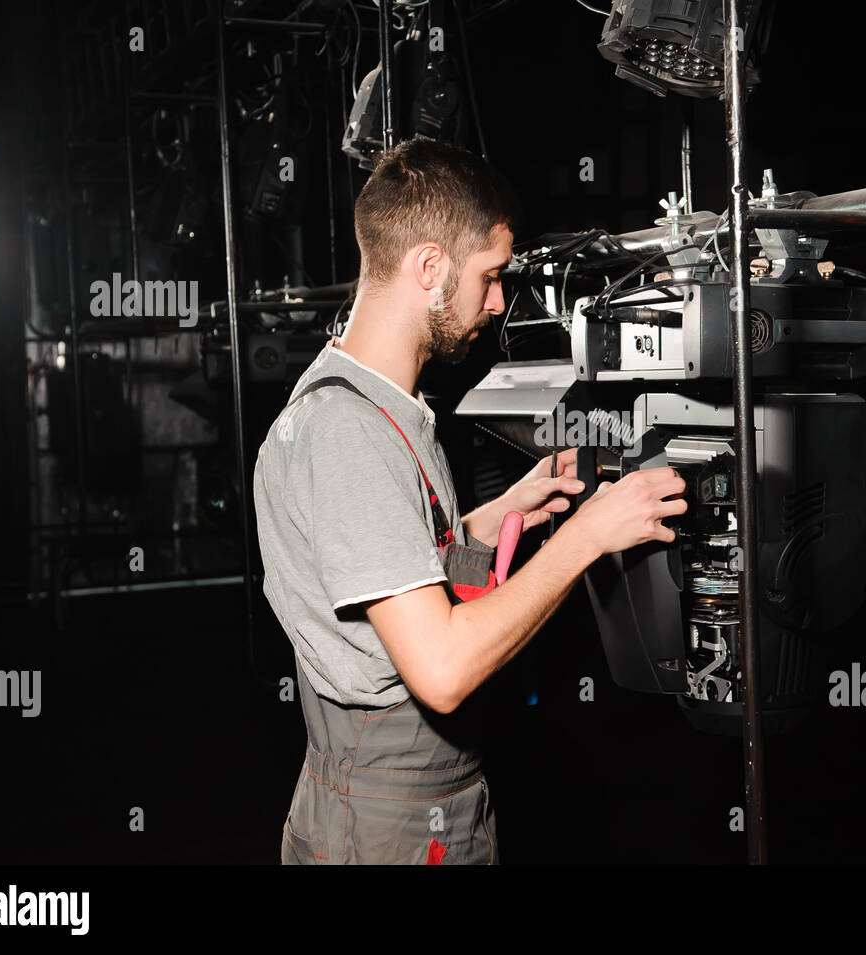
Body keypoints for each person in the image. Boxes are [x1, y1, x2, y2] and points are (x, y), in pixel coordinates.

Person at [253, 136, 686, 864]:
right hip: (390, 822)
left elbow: (393, 563)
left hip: (407, 802)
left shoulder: (371, 403)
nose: (495, 301)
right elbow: (443, 670)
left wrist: (504, 509)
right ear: (429, 266)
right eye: (489, 275)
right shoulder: (348, 433)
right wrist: (588, 535)